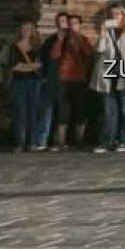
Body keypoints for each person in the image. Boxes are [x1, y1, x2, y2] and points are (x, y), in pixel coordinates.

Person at [92, 4, 125, 153]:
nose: (115, 17)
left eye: (118, 14)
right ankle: (107, 141)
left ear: (124, 15)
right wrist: (102, 32)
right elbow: (100, 50)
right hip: (108, 72)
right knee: (109, 110)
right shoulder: (106, 32)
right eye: (112, 14)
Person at [48, 13, 92, 152]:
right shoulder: (61, 39)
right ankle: (61, 141)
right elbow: (54, 55)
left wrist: (77, 39)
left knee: (80, 110)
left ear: (79, 25)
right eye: (70, 23)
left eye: (75, 23)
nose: (72, 26)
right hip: (64, 78)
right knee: (63, 110)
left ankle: (80, 140)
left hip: (79, 78)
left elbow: (89, 53)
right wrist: (61, 40)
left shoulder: (83, 39)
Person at [9, 21, 47, 152]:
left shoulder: (37, 47)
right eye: (24, 29)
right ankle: (20, 142)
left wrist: (25, 67)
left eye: (29, 29)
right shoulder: (14, 47)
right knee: (20, 112)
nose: (26, 31)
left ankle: (32, 142)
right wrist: (31, 67)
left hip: (34, 82)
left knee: (33, 111)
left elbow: (41, 64)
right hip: (19, 82)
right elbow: (15, 66)